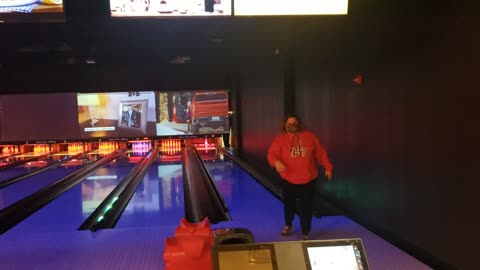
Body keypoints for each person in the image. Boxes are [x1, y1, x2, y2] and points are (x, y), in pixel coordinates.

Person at [267, 114, 333, 240]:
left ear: (299, 125)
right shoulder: (280, 140)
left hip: (308, 180)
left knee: (306, 207)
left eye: (294, 124)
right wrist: (276, 163)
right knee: (289, 205)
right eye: (289, 124)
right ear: (284, 125)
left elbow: (320, 153)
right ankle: (288, 225)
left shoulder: (310, 137)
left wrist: (328, 167)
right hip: (288, 180)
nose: (291, 126)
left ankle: (305, 231)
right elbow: (271, 154)